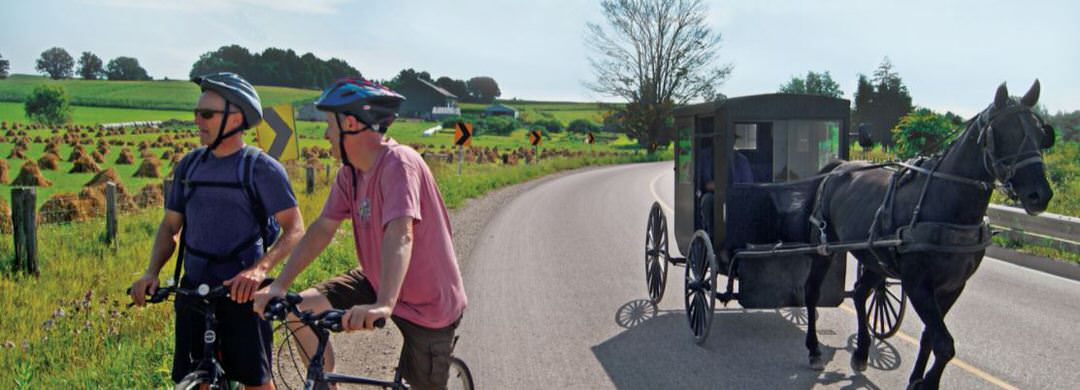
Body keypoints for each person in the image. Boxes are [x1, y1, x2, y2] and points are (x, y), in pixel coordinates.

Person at [253, 78, 467, 390]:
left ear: (351, 123)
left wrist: (384, 303)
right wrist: (280, 286)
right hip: (377, 277)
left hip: (428, 301)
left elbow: (401, 232)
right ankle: (323, 383)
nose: (326, 134)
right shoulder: (349, 174)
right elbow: (323, 228)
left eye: (330, 124)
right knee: (298, 309)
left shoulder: (399, 163)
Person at [129, 72, 305, 389]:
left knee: (256, 381)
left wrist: (259, 270)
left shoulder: (261, 168)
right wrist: (151, 272)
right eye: (197, 112)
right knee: (194, 381)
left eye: (206, 114)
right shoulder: (189, 165)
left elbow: (295, 229)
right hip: (194, 290)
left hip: (243, 294)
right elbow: (171, 226)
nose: (197, 120)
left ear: (237, 118)